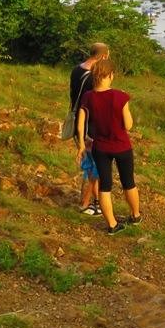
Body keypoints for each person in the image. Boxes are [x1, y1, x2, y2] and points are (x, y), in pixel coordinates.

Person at [77, 58, 140, 234]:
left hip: (101, 149)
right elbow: (128, 126)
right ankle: (135, 215)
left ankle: (112, 225)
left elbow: (81, 123)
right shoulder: (120, 96)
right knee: (128, 183)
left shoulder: (88, 97)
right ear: (111, 75)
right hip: (122, 146)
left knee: (105, 185)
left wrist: (82, 145)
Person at [70, 43, 109, 215]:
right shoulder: (94, 77)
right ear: (103, 56)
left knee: (90, 165)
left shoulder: (76, 70)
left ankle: (95, 203)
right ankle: (86, 204)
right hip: (89, 126)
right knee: (94, 167)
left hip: (77, 120)